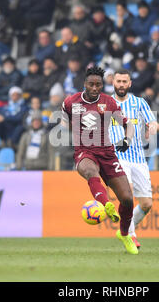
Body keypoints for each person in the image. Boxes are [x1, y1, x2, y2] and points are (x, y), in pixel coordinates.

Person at [61, 66, 138, 254]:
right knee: (89, 171)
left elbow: (128, 125)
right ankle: (106, 204)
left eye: (98, 84)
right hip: (84, 151)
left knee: (127, 200)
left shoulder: (109, 102)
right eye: (91, 84)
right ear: (84, 84)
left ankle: (124, 234)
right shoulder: (71, 102)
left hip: (107, 154)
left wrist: (127, 140)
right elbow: (63, 124)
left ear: (102, 85)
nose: (95, 88)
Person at [108, 69, 159, 248]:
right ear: (113, 82)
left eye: (124, 81)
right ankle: (130, 234)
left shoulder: (139, 102)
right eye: (118, 81)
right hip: (117, 156)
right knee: (127, 194)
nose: (121, 84)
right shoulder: (106, 103)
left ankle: (125, 229)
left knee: (146, 204)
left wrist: (152, 126)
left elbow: (153, 121)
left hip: (138, 157)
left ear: (130, 84)